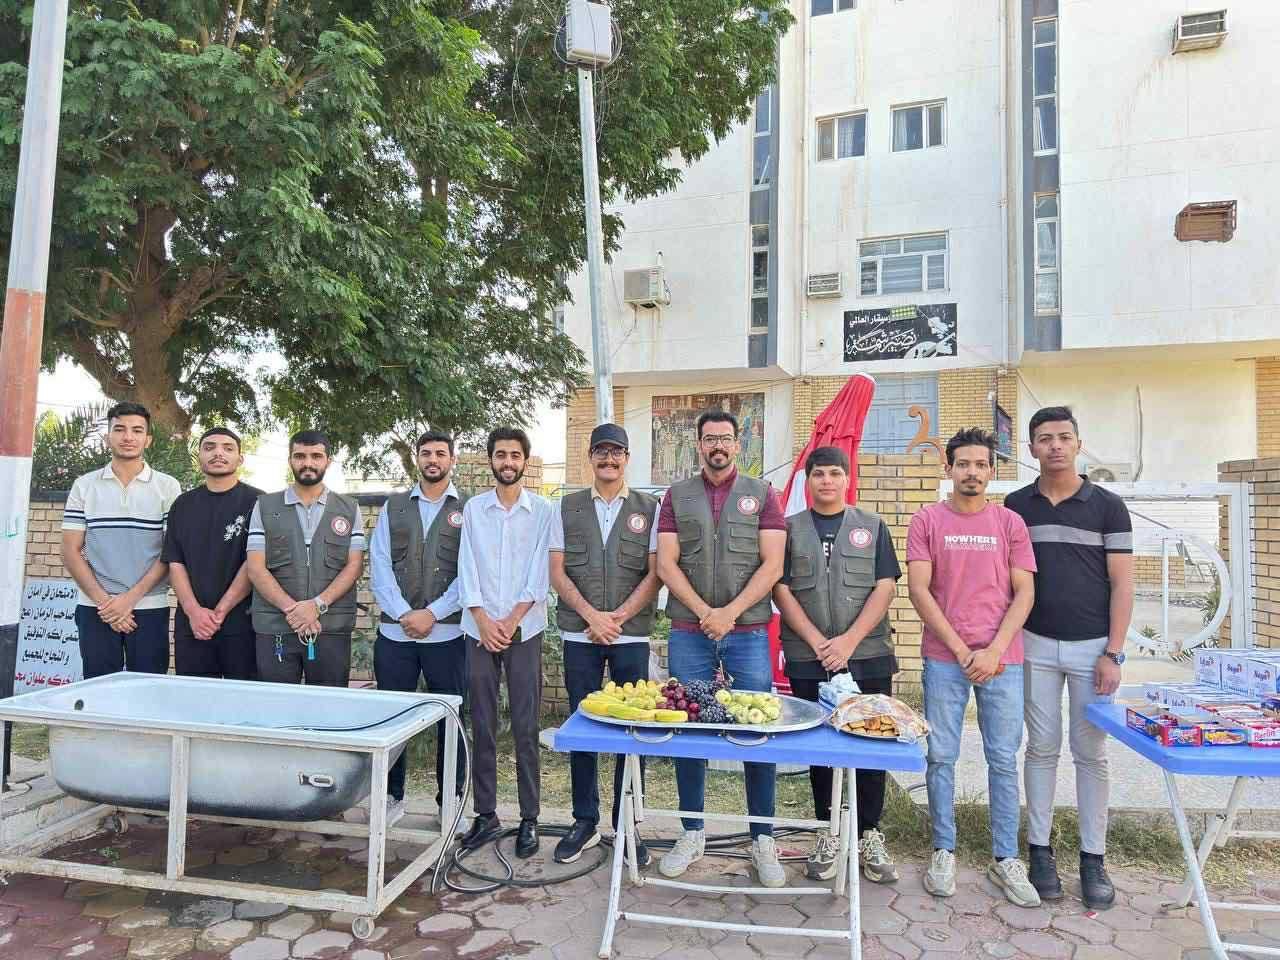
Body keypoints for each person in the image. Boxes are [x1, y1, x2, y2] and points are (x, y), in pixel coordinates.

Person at [1005, 406, 1134, 910]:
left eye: (1063, 437)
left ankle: (1093, 858)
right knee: (1040, 748)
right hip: (1034, 643)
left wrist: (1113, 653)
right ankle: (1039, 852)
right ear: (1032, 448)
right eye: (1045, 438)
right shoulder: (1017, 506)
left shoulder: (1108, 507)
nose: (1055, 445)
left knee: (1090, 753)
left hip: (1093, 649)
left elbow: (1123, 584)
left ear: (1078, 443)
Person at [906, 427, 1039, 907]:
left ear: (991, 471)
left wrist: (993, 650)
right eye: (963, 464)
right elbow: (919, 590)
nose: (972, 472)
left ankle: (1006, 857)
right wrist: (962, 649)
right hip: (945, 657)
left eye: (981, 465)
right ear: (949, 469)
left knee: (1002, 758)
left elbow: (1025, 592)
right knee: (941, 755)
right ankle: (943, 850)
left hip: (1003, 659)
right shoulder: (927, 520)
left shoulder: (1010, 523)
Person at [655, 409, 787, 887]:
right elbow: (667, 565)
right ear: (699, 444)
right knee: (688, 730)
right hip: (689, 631)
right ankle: (691, 832)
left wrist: (730, 613)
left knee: (756, 730)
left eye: (726, 438)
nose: (718, 445)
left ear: (738, 444)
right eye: (710, 438)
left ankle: (762, 838)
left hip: (747, 630)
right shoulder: (676, 496)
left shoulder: (762, 495)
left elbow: (772, 564)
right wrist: (705, 612)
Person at [773, 446, 902, 883]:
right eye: (819, 474)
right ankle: (827, 831)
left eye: (834, 473)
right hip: (809, 658)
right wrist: (817, 642)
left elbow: (885, 586)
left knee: (872, 746)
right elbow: (781, 589)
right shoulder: (789, 529)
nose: (826, 481)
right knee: (820, 750)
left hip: (866, 655)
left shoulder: (872, 525)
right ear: (808, 480)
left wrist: (848, 641)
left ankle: (869, 833)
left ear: (847, 478)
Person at [549, 423, 660, 865]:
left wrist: (617, 618)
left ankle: (627, 824)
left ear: (627, 458)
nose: (609, 460)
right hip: (581, 634)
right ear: (590, 457)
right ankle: (584, 821)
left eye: (617, 453)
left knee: (634, 729)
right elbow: (557, 571)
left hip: (630, 635)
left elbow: (655, 572)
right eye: (601, 452)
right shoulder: (567, 506)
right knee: (583, 727)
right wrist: (593, 618)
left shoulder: (649, 508)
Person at [457, 427, 554, 859]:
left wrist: (512, 620)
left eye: (515, 455)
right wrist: (482, 619)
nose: (508, 462)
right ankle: (486, 815)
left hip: (524, 629)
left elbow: (541, 571)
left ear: (525, 461)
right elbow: (467, 567)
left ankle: (529, 818)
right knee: (482, 722)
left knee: (526, 725)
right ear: (491, 460)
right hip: (479, 629)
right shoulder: (474, 509)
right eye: (501, 454)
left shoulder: (544, 510)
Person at [369, 431, 468, 823]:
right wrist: (405, 614)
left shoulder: (469, 509)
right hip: (396, 635)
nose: (433, 459)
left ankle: (450, 803)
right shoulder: (394, 507)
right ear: (417, 458)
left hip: (449, 636)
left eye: (441, 453)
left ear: (452, 459)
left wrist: (433, 613)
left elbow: (470, 572)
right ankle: (392, 797)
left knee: (451, 722)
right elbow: (379, 565)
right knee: (392, 720)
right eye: (426, 453)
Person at [61, 402, 181, 678]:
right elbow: (70, 550)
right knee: (99, 689)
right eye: (120, 429)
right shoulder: (84, 485)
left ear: (148, 439)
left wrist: (128, 600)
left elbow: (170, 551)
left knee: (148, 690)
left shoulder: (168, 486)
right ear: (108, 437)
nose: (128, 437)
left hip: (150, 605)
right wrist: (106, 603)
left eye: (137, 430)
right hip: (96, 607)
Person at [245, 430, 364, 685]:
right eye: (300, 456)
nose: (308, 463)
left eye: (316, 456)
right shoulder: (264, 506)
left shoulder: (349, 508)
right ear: (290, 460)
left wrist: (316, 606)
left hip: (330, 627)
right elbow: (255, 568)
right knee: (277, 704)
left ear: (328, 461)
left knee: (329, 703)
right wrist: (295, 611)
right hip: (276, 626)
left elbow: (354, 566)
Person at [162, 427, 263, 680]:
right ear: (199, 456)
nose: (218, 453)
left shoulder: (259, 502)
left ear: (240, 458)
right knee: (195, 698)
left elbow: (254, 563)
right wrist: (194, 612)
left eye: (228, 448)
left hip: (243, 625)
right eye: (209, 447)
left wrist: (220, 612)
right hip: (192, 625)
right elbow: (175, 563)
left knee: (243, 699)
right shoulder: (182, 504)